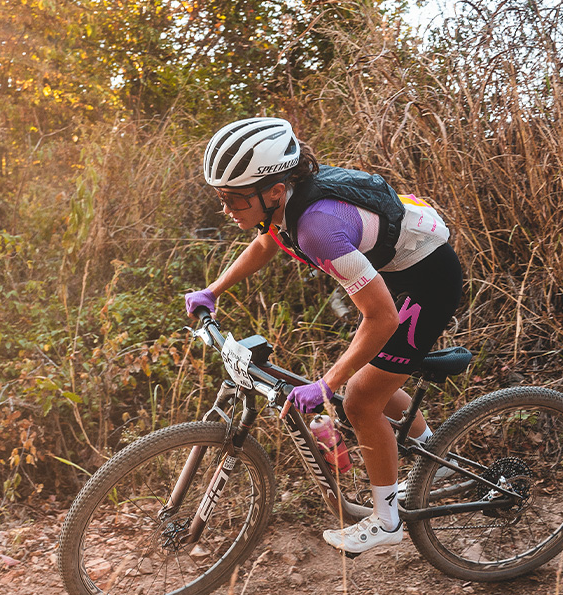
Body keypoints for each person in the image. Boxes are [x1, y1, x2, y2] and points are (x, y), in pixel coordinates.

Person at [184, 117, 463, 554]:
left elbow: (382, 319)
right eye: (221, 198)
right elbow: (266, 243)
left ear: (274, 190)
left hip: (429, 281)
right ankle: (435, 457)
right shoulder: (284, 205)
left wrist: (327, 383)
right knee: (372, 373)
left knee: (358, 398)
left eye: (234, 199)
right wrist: (213, 290)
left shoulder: (317, 227)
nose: (226, 210)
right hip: (398, 272)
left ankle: (388, 521)